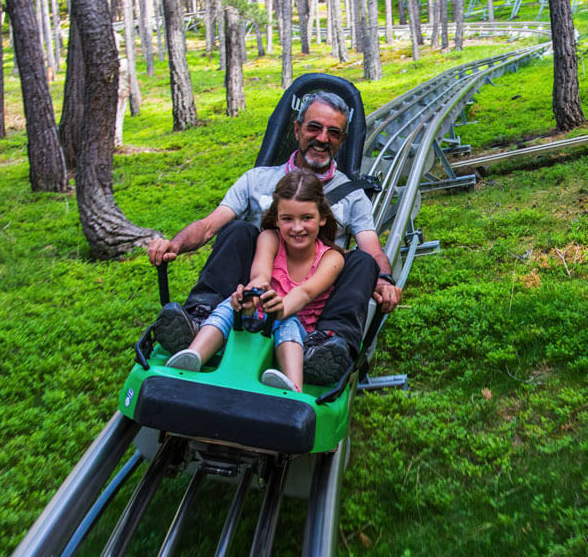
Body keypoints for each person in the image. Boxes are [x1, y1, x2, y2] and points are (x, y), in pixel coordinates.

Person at [148, 91, 402, 384]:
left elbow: (371, 247)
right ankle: (200, 317)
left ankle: (329, 344)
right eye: (314, 128)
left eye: (333, 132)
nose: (322, 138)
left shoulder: (353, 195)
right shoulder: (257, 179)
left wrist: (384, 279)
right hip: (255, 287)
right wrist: (176, 244)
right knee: (238, 230)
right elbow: (208, 226)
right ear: (296, 129)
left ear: (342, 141)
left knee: (361, 262)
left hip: (317, 290)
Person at [165, 170, 345, 392]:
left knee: (286, 321)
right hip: (260, 318)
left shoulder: (331, 258)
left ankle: (293, 385)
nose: (297, 228)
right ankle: (193, 356)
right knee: (227, 306)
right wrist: (249, 296)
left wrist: (280, 309)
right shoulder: (270, 238)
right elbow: (260, 276)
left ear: (322, 217)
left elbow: (305, 293)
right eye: (287, 219)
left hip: (298, 330)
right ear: (277, 219)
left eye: (306, 218)